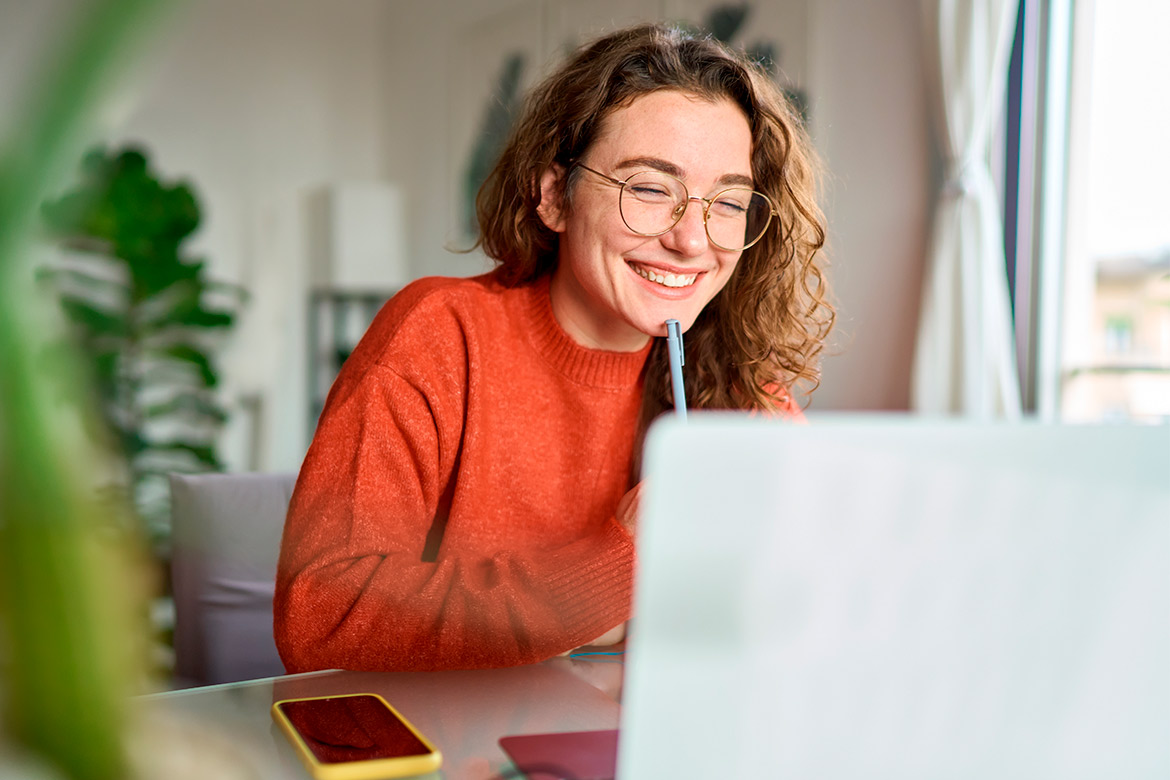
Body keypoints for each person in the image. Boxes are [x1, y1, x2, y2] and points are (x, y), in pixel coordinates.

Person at [274, 23, 834, 673]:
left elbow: (804, 605)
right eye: (650, 189)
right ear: (553, 196)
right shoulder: (438, 336)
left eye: (728, 202)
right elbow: (319, 616)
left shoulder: (737, 377)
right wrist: (619, 563)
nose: (692, 239)